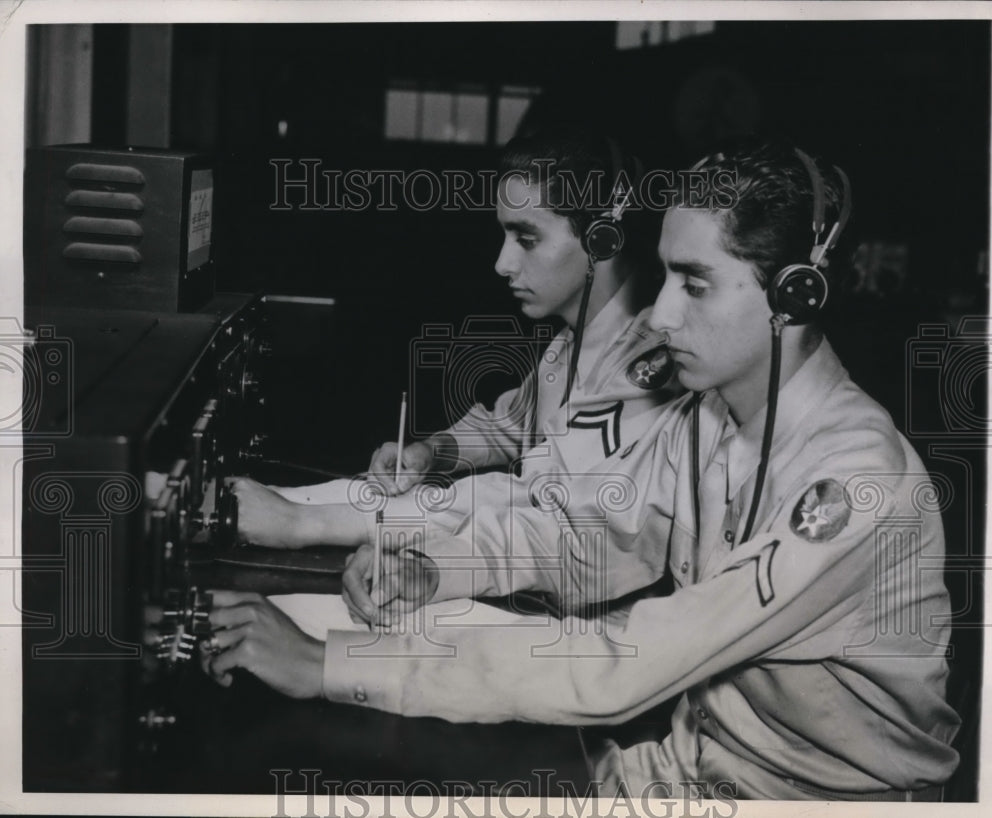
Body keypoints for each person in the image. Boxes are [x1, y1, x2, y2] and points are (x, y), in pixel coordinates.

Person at [204, 137, 960, 800]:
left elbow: (625, 664)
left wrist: (332, 664)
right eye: (664, 277)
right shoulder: (708, 421)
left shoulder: (855, 482)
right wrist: (437, 571)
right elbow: (587, 543)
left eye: (694, 284)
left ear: (795, 294)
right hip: (687, 767)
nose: (659, 316)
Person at [228, 129, 680, 614]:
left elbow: (524, 501)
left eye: (526, 238)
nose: (502, 263)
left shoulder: (646, 370)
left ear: (602, 240)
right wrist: (435, 451)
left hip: (588, 633)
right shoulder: (572, 341)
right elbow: (508, 425)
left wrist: (306, 523)